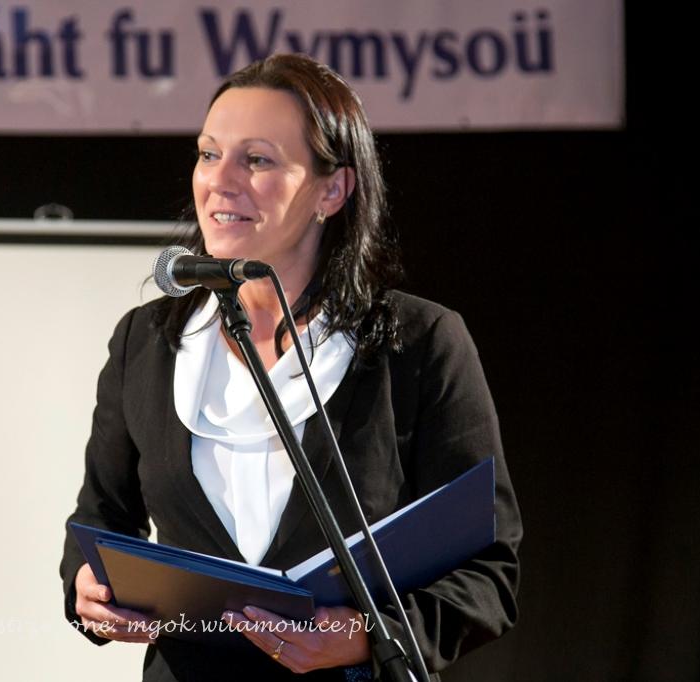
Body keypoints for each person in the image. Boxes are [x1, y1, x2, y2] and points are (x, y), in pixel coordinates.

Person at [60, 53, 521, 681]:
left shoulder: (421, 344)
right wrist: (87, 590)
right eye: (208, 154)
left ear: (332, 190)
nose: (220, 182)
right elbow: (98, 521)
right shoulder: (146, 342)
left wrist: (366, 636)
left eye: (257, 160)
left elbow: (490, 572)